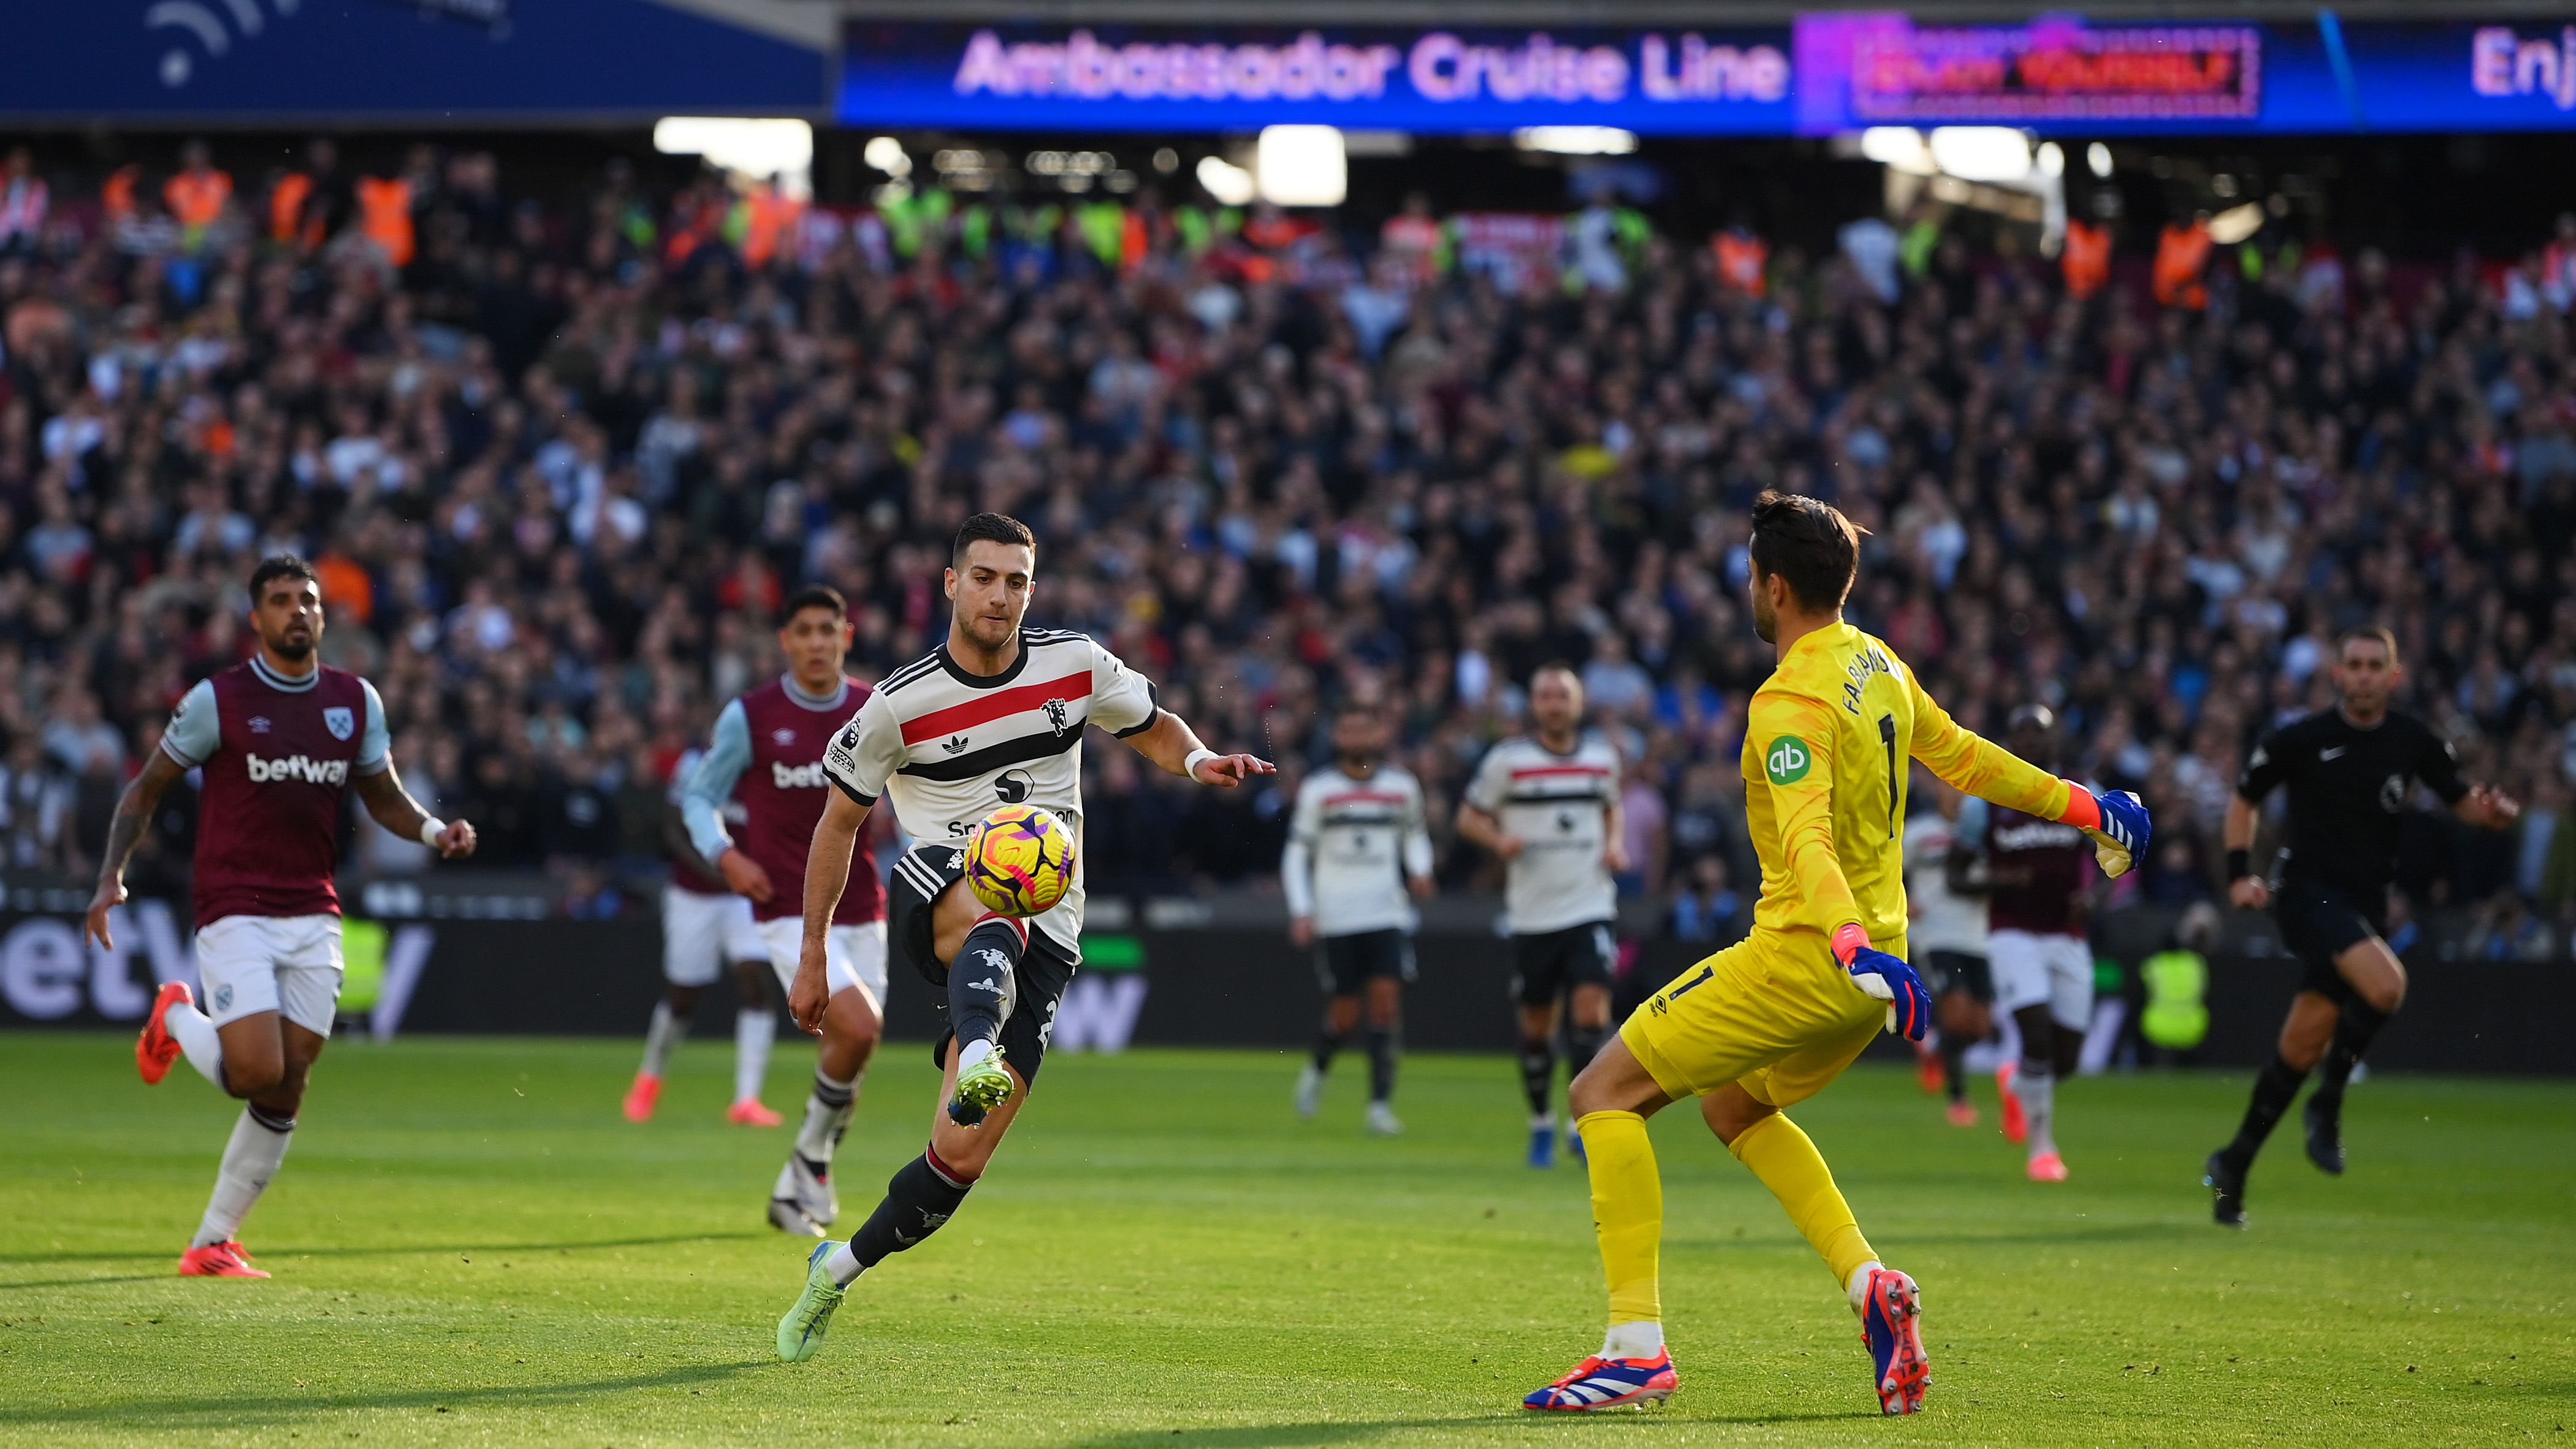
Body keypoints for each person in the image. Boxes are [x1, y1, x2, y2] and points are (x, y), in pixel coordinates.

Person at [1522, 492, 2147, 1417]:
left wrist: (1844, 940)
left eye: (1748, 575)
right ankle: (1871, 1289)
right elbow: (1965, 758)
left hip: (1812, 956)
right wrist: (2086, 806)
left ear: (1772, 588)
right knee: (1734, 1109)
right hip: (1877, 970)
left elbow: (1807, 836)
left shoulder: (1788, 700)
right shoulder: (1877, 662)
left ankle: (1633, 1348)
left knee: (1598, 1094)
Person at [772, 513, 1273, 1362]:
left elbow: (1150, 723)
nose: (1000, 595)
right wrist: (816, 952)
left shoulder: (1072, 664)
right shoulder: (898, 704)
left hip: (1051, 928)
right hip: (939, 891)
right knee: (996, 879)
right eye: (985, 578)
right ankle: (975, 1055)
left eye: (1016, 581)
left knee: (955, 1163)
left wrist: (1199, 762)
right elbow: (836, 828)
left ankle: (838, 1267)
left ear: (1030, 591)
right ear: (950, 584)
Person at [94, 555, 476, 1277]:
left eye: (307, 600)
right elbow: (146, 790)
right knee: (252, 1071)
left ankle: (211, 1241)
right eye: (280, 601)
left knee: (290, 1080)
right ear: (256, 620)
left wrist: (434, 832)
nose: (297, 611)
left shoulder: (354, 700)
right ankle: (175, 1015)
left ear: (323, 616)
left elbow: (383, 795)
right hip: (234, 903)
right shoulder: (220, 701)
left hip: (313, 908)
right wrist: (111, 874)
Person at [2205, 627, 2518, 1228]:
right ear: (2337, 675)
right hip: (2304, 897)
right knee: (2385, 986)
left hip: (2362, 908)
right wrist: (2240, 875)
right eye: (2354, 664)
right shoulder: (2301, 738)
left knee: (2297, 1048)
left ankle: (2230, 1165)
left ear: (2393, 676)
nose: (2365, 674)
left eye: (2376, 665)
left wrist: (2488, 814)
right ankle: (2327, 1104)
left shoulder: (2410, 741)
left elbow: (2458, 798)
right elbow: (2243, 800)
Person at [680, 585, 885, 1237]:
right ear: (786, 642)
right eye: (805, 631)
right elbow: (697, 798)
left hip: (865, 907)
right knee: (855, 1029)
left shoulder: (873, 709)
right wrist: (726, 856)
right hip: (788, 911)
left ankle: (798, 1176)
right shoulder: (753, 716)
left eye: (830, 630)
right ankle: (811, 1173)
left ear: (847, 636)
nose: (819, 642)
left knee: (853, 1058)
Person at [1458, 664, 1627, 1169]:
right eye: (1546, 695)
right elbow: (1468, 816)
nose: (1555, 704)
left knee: (1591, 1012)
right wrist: (1498, 841)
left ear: (1577, 704)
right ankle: (1540, 1123)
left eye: (1563, 696)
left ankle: (1580, 1123)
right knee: (1536, 1028)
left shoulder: (1601, 758)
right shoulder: (1508, 761)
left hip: (1590, 905)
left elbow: (1612, 807)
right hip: (1533, 914)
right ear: (1534, 705)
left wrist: (1615, 844)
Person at [1283, 698, 1435, 1136]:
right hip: (1336, 915)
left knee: (1386, 1006)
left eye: (1363, 730)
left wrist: (1421, 870)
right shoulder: (1320, 791)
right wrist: (1302, 910)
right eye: (1347, 730)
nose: (1356, 738)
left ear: (1379, 735)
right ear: (1337, 737)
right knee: (1345, 1014)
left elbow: (1415, 836)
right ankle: (1317, 1071)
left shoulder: (1402, 789)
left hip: (1386, 911)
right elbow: (1297, 855)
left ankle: (1379, 1107)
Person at [1964, 705, 2098, 1182]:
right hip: (2012, 931)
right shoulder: (1986, 799)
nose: (2030, 742)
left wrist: (2096, 896)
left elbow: (2118, 849)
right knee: (2036, 1034)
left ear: (2054, 739)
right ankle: (2043, 1148)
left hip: (2067, 933)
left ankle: (2017, 1083)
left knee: (2067, 1058)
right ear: (2011, 742)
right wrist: (2000, 880)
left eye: (2038, 733)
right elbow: (1959, 873)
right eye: (2021, 733)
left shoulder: (2080, 792)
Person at [621, 737, 779, 1128]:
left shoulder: (769, 768)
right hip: (694, 894)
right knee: (683, 997)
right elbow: (674, 832)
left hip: (743, 895)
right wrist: (719, 874)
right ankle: (651, 1074)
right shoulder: (695, 765)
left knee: (755, 978)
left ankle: (747, 1099)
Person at [1902, 770, 1991, 1127]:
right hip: (1934, 934)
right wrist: (1903, 900)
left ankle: (1935, 1048)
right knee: (1955, 1015)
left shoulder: (1982, 834)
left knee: (1980, 1027)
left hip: (1978, 934)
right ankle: (1959, 1100)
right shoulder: (1920, 833)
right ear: (1937, 789)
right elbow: (1889, 868)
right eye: (1949, 785)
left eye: (1963, 787)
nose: (1956, 794)